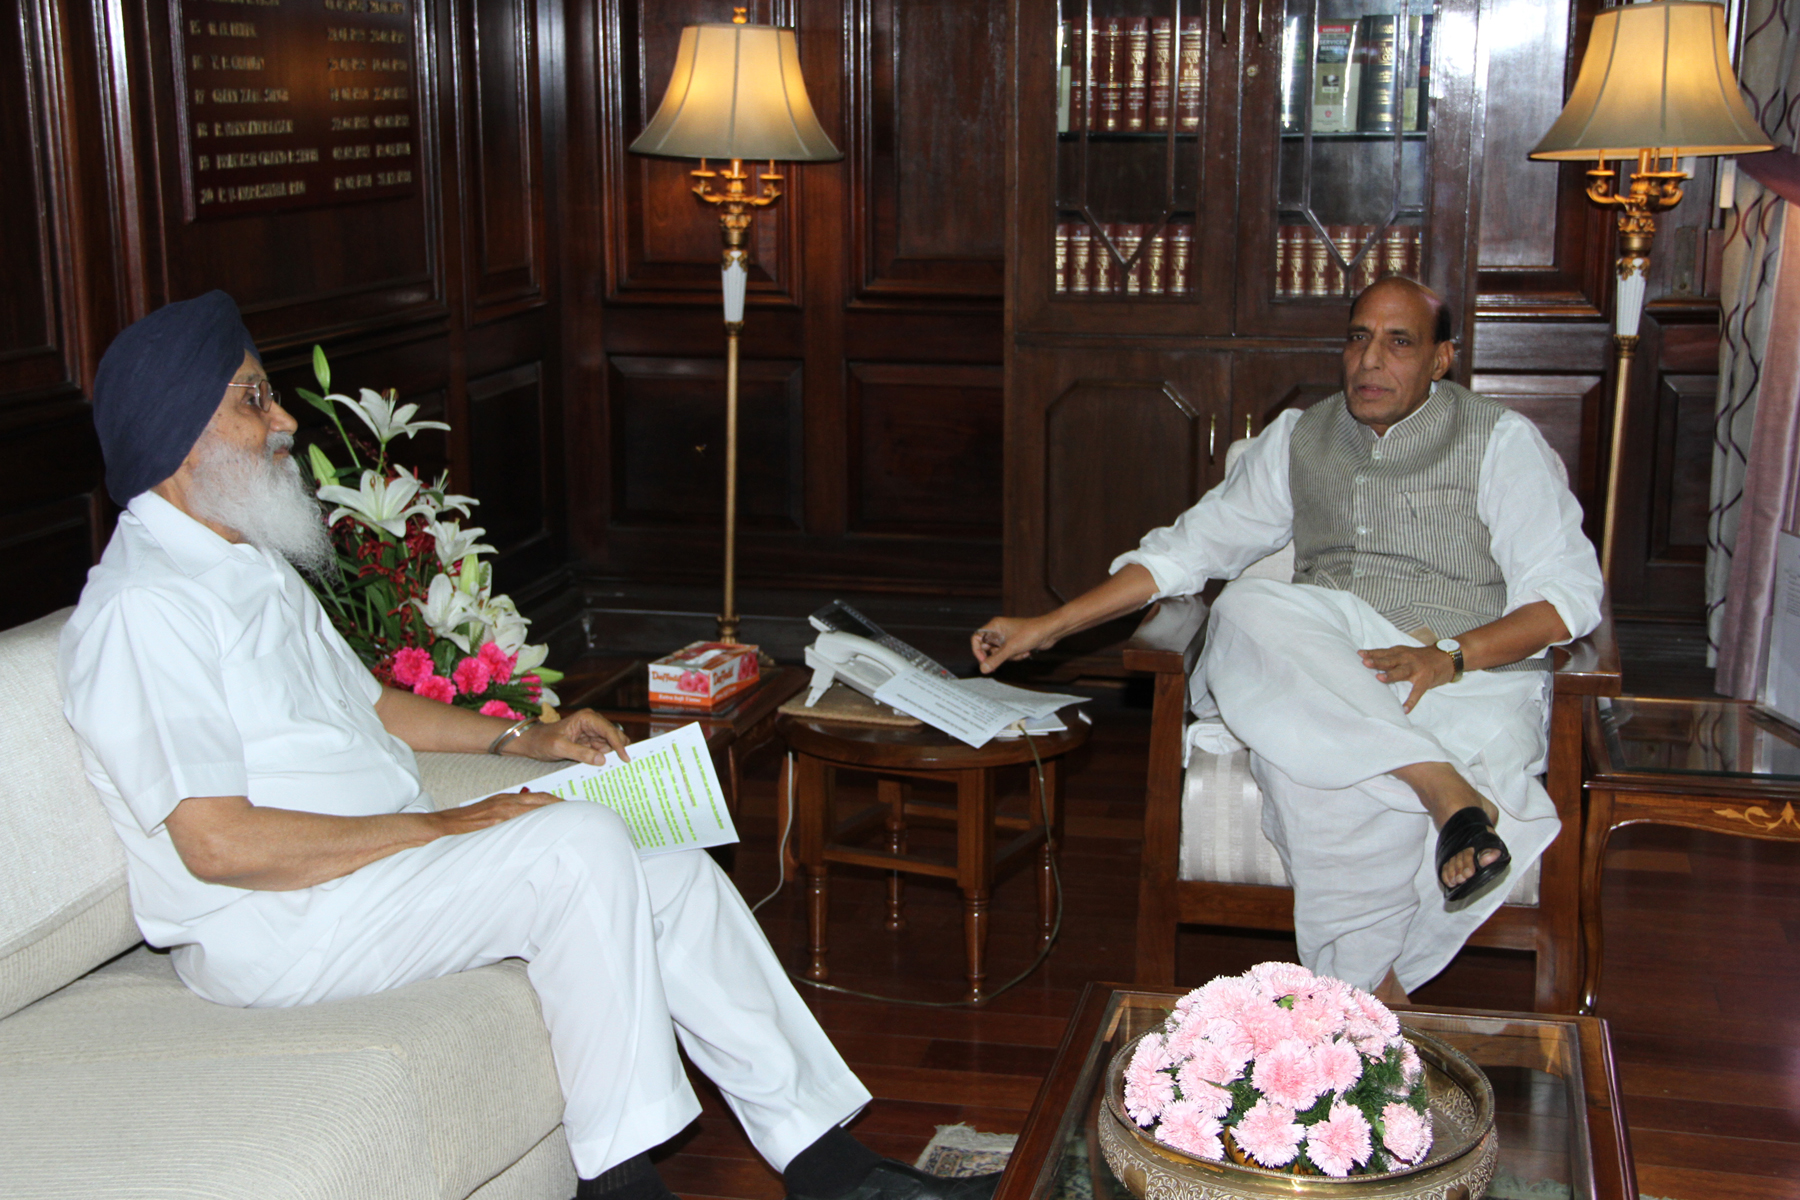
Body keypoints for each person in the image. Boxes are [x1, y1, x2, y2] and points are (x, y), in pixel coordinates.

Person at [58, 291, 997, 1200]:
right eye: (254, 398)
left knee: (664, 864)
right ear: (178, 432)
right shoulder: (146, 607)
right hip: (277, 921)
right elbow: (219, 845)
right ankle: (619, 1182)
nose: (287, 422)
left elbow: (374, 709)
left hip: (361, 875)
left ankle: (829, 1169)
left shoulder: (243, 557)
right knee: (579, 847)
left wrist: (525, 738)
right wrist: (444, 828)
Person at [972, 278, 1603, 1003]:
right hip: (1326, 665)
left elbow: (1568, 598)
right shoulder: (1299, 437)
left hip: (1456, 673)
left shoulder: (1500, 440)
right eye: (1357, 337)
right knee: (1246, 604)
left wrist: (1449, 654)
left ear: (1441, 361)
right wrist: (1046, 626)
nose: (1370, 360)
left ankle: (1366, 1004)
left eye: (1399, 343)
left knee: (1308, 762)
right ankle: (1439, 787)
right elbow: (1191, 549)